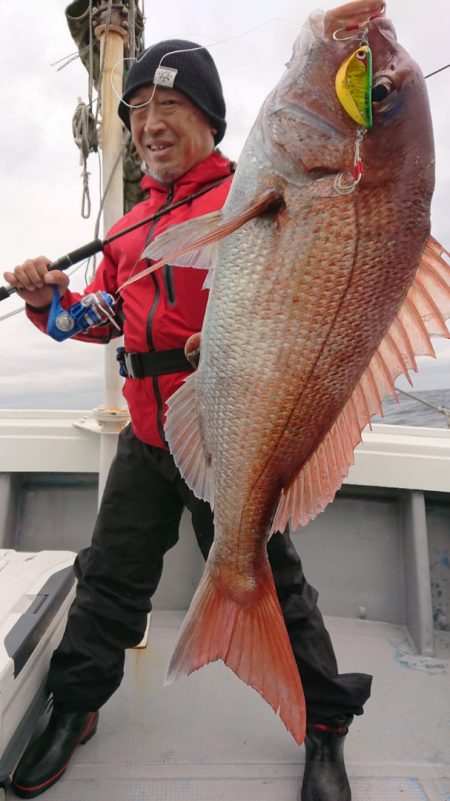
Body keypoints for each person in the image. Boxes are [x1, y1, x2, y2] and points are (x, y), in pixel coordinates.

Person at [4, 40, 372, 801]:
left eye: (168, 106)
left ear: (211, 119)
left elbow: (300, 297)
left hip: (230, 432)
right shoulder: (133, 224)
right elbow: (98, 316)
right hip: (146, 437)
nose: (148, 124)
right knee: (108, 578)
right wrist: (47, 302)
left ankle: (325, 725)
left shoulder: (258, 196)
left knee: (277, 585)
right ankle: (76, 703)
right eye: (137, 111)